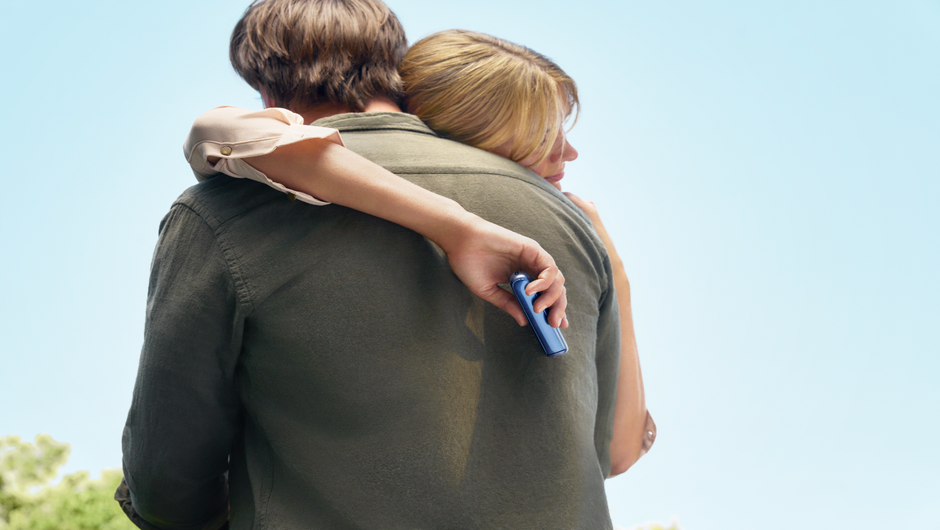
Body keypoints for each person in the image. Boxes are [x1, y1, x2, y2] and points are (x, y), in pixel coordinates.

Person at [118, 2, 646, 530]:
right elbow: (604, 452)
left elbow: (168, 478)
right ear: (393, 67)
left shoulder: (224, 211)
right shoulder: (567, 218)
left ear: (265, 90)